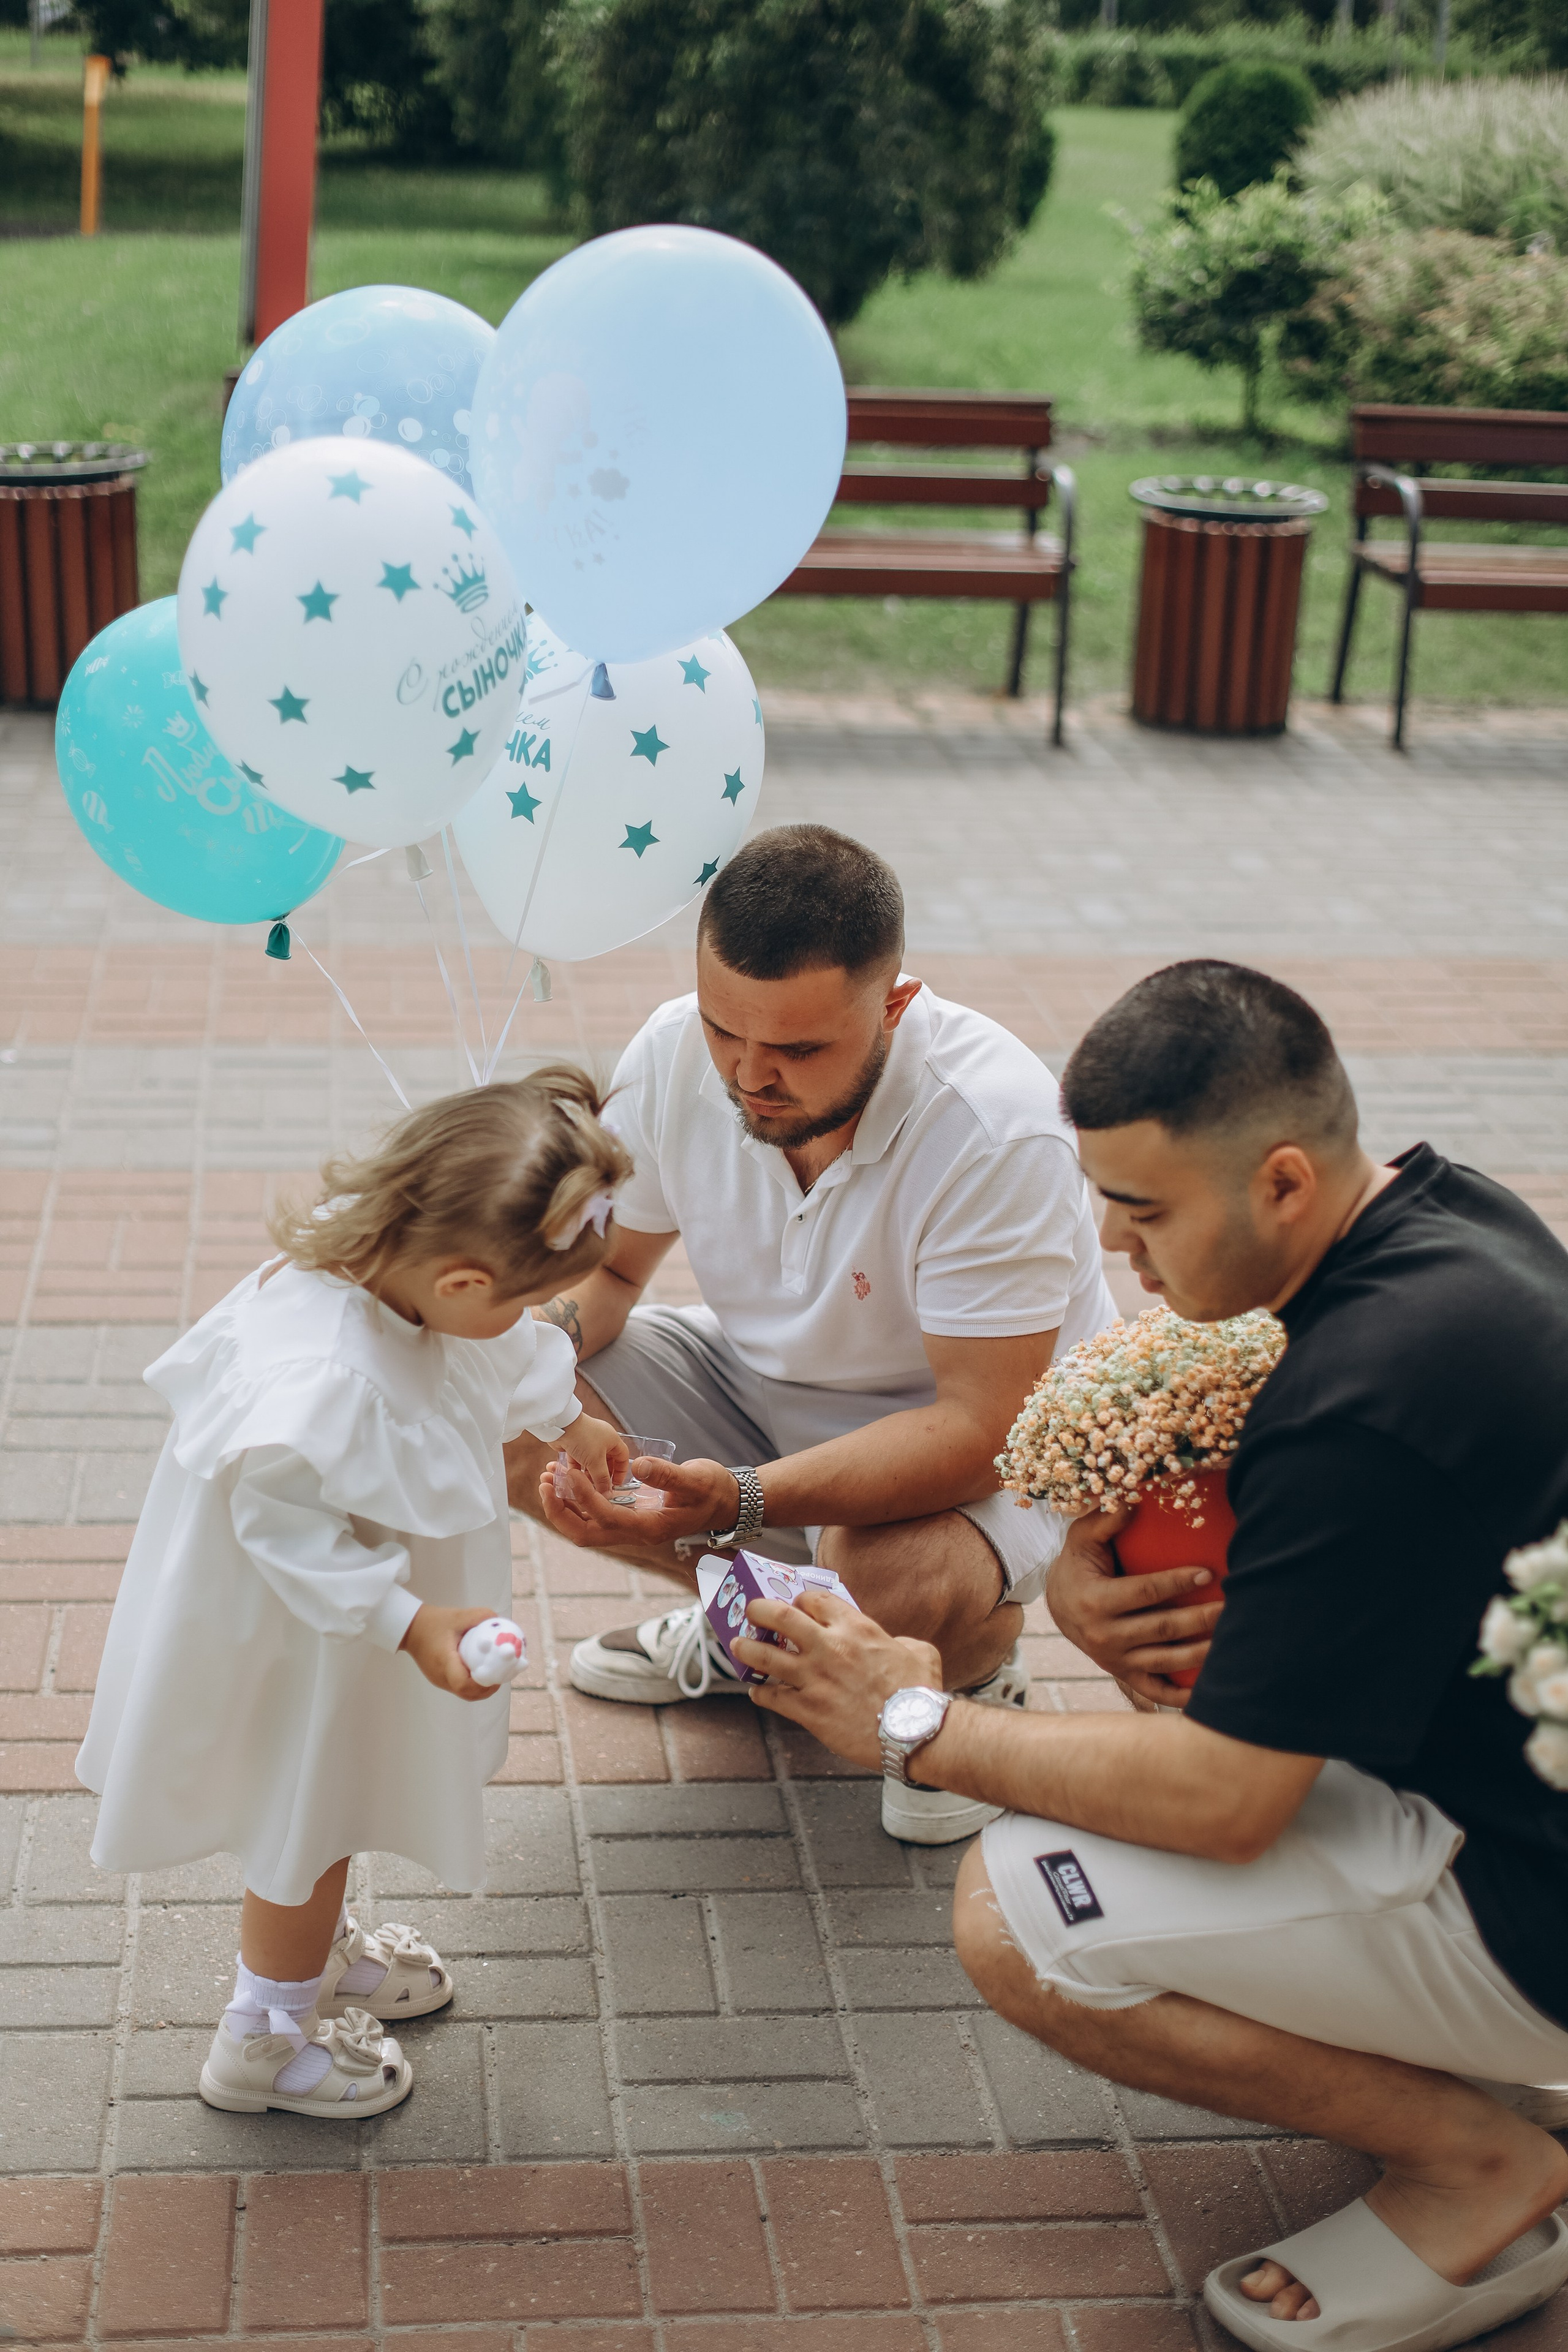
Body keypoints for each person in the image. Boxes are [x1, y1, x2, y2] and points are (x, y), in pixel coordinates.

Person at [730, 960, 1568, 2351]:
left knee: (1018, 1916)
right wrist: (1076, 1590)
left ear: (1282, 1183)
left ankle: (1477, 2162)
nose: (1117, 1253)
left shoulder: (1364, 1401)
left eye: (1143, 1211)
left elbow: (1223, 1800)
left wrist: (911, 1717)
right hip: (1495, 1777)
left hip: (1532, 1898)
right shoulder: (1444, 1218)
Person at [505, 823, 1117, 1844]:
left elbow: (978, 1428)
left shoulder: (996, 1127)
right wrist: (514, 1369)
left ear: (895, 1004)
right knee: (503, 1404)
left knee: (879, 1575)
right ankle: (750, 1618)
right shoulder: (669, 1054)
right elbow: (613, 1275)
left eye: (797, 1049)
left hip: (989, 1456)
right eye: (723, 1032)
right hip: (758, 1388)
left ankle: (962, 1671)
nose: (750, 1077)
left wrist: (739, 1501)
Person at [77, 1074, 630, 2120]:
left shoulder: (394, 1255)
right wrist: (408, 1622)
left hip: (353, 1622)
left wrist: (568, 1419)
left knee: (338, 1797)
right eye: (516, 1295)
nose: (519, 1318)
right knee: (311, 1813)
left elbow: (506, 1348)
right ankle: (263, 2037)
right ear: (462, 1282)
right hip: (313, 1631)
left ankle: (311, 1965)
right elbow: (281, 1528)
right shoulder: (328, 1371)